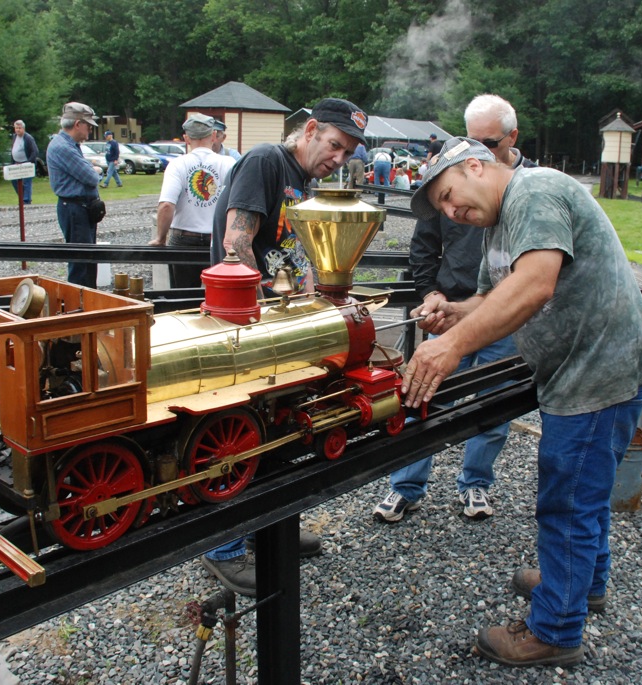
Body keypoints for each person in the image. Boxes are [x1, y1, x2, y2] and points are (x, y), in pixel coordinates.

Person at [402, 136, 642, 667]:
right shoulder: (498, 226)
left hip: (598, 371)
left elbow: (535, 284)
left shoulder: (535, 191)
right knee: (586, 490)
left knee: (567, 500)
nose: (451, 212)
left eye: (449, 195)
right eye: (442, 209)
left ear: (475, 166)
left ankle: (555, 630)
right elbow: (491, 297)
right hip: (578, 370)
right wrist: (456, 314)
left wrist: (452, 346)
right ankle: (584, 584)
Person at [204, 97, 369, 596]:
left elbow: (294, 254)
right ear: (310, 129)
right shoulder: (265, 162)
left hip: (282, 323)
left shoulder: (303, 179)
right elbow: (237, 242)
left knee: (281, 427)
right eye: (335, 145)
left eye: (348, 152)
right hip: (247, 325)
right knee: (238, 433)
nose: (339, 158)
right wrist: (264, 319)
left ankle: (269, 528)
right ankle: (223, 549)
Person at [373, 94, 529, 525]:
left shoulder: (530, 186)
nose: (477, 149)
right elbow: (423, 245)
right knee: (424, 397)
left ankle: (476, 482)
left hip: (507, 316)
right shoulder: (450, 177)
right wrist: (429, 293)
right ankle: (406, 485)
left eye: (488, 142)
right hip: (453, 306)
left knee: (493, 406)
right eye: (469, 139)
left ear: (512, 138)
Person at [149, 113, 236, 288]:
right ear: (213, 135)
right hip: (218, 238)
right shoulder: (229, 163)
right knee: (220, 292)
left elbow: (166, 205)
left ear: (187, 139)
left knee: (183, 295)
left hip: (184, 239)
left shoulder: (177, 165)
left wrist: (160, 238)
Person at [47, 102, 103, 288]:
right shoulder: (63, 147)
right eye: (88, 125)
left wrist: (92, 169)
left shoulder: (69, 145)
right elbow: (91, 177)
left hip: (81, 209)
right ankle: (79, 301)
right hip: (75, 209)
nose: (90, 130)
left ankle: (88, 297)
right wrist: (95, 169)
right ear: (78, 124)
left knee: (88, 260)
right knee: (81, 263)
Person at [10, 120, 40, 204]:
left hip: (26, 163)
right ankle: (22, 197)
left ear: (23, 128)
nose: (18, 130)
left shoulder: (28, 138)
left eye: (19, 128)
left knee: (27, 182)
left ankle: (26, 200)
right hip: (16, 163)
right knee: (14, 180)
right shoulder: (14, 137)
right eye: (16, 128)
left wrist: (29, 162)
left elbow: (35, 151)